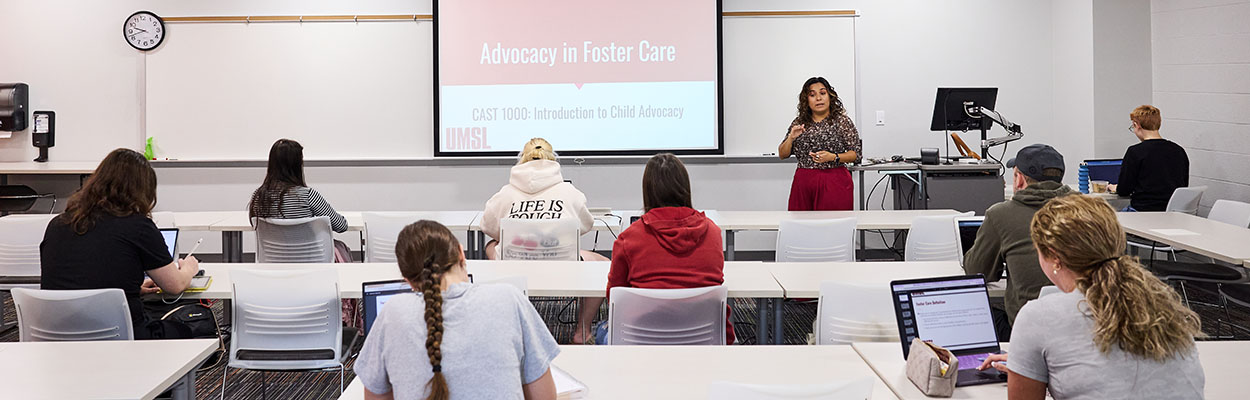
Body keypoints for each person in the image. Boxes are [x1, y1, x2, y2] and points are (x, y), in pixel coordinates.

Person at [978, 195, 1204, 400]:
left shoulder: (1038, 316)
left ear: (1054, 258)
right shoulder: (1161, 302)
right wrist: (1031, 364)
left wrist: (1031, 370)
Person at [354, 220, 559, 400]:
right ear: (461, 253)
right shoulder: (508, 298)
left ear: (407, 280)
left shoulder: (392, 313)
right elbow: (545, 396)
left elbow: (376, 395)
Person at [40, 148, 201, 339]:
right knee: (192, 331)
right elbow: (174, 285)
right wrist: (189, 268)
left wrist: (130, 288)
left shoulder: (58, 223)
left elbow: (75, 276)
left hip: (57, 333)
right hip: (118, 332)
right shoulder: (138, 226)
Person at [593, 153, 734, 344]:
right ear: (686, 188)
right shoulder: (713, 233)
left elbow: (615, 300)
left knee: (601, 330)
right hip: (704, 338)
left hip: (642, 338)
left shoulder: (629, 238)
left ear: (648, 191)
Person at [481, 138, 608, 344]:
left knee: (491, 245)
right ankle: (582, 331)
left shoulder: (505, 194)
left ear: (521, 160)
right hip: (564, 269)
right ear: (553, 161)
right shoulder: (569, 193)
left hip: (515, 269)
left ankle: (509, 325)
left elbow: (488, 227)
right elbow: (585, 226)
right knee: (604, 264)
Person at [963, 144, 1072, 338]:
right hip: (1085, 329)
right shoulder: (1090, 211)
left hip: (1026, 335)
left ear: (1019, 179)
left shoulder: (1001, 214)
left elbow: (977, 271)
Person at [247, 138, 350, 258]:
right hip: (310, 262)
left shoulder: (259, 196)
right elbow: (341, 226)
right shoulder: (308, 195)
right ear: (297, 165)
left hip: (273, 262)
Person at [778, 76, 862, 211]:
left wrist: (833, 157)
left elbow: (856, 154)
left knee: (833, 226)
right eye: (812, 95)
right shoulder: (799, 122)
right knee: (802, 226)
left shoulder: (842, 121)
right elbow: (782, 154)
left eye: (822, 93)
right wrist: (791, 138)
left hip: (834, 179)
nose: (818, 98)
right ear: (806, 100)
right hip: (804, 181)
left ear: (830, 96)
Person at [1108, 105, 1189, 212]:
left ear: (1136, 125)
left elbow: (1124, 190)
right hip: (1171, 213)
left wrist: (1116, 188)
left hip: (1142, 210)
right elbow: (1183, 186)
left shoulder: (1135, 152)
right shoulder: (1179, 151)